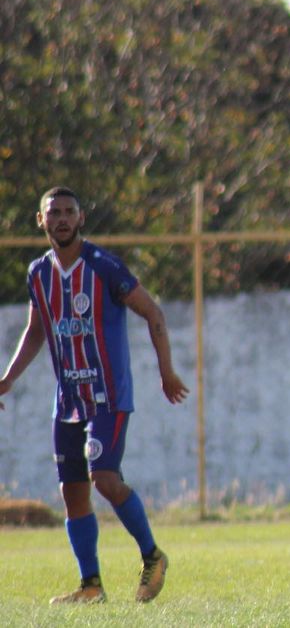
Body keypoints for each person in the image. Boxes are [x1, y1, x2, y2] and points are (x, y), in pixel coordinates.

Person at [0, 187, 189, 604]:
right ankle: (91, 586)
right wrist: (8, 378)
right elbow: (36, 331)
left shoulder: (103, 267)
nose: (62, 219)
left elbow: (153, 312)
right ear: (41, 221)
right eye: (55, 213)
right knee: (72, 492)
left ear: (81, 218)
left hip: (108, 396)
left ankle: (153, 556)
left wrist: (166, 372)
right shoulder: (38, 273)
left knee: (104, 478)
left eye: (69, 212)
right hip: (67, 401)